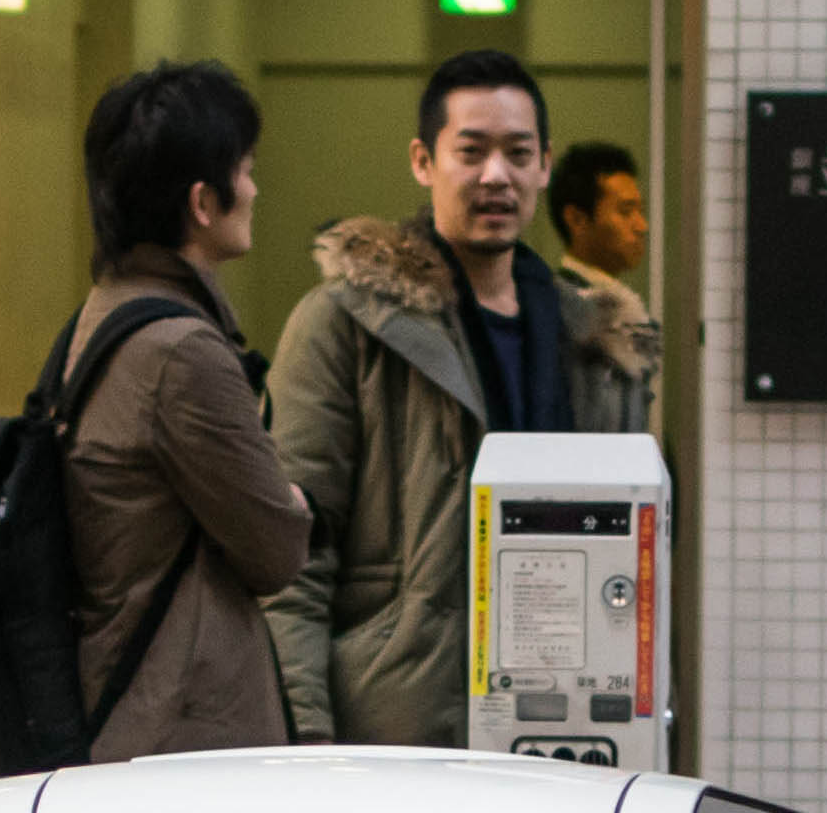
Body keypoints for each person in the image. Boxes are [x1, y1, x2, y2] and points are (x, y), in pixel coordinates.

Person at [260, 48, 657, 747]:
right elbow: (292, 561)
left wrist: (649, 735)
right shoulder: (346, 324)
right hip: (397, 735)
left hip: (566, 729)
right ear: (423, 161)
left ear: (543, 165)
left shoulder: (598, 347)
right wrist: (307, 745)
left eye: (517, 152)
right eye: (470, 151)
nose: (495, 175)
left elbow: (641, 568)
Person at [62, 58, 309, 758]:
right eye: (247, 169)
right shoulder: (183, 354)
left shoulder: (104, 315)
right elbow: (278, 548)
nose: (256, 189)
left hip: (129, 709)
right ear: (204, 203)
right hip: (184, 730)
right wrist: (289, 498)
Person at [546, 136, 650, 346]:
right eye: (626, 211)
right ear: (576, 219)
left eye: (640, 211)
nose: (642, 226)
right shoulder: (563, 309)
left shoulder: (618, 302)